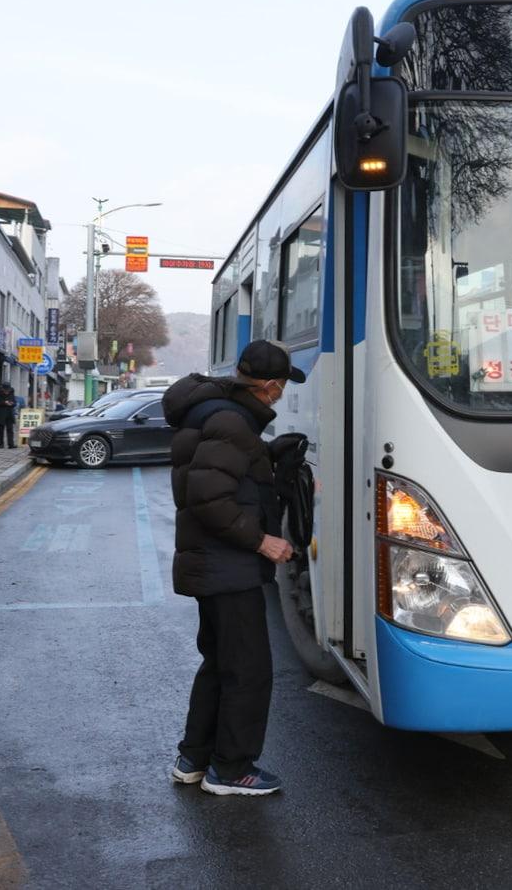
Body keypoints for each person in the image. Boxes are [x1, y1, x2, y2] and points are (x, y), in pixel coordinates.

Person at [162, 339, 305, 796]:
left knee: (220, 662)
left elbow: (227, 478)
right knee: (247, 669)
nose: (281, 394)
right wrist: (263, 541)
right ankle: (231, 769)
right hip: (227, 566)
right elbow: (208, 499)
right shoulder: (230, 421)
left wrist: (269, 459)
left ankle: (195, 758)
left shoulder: (219, 414)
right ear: (267, 386)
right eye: (280, 386)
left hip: (212, 565)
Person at [0, 382, 18, 449]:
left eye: (8, 390)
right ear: (2, 389)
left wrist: (12, 403)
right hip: (1, 413)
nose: (7, 392)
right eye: (5, 390)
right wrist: (4, 402)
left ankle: (11, 444)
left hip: (9, 413)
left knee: (10, 429)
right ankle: (1, 444)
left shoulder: (12, 391)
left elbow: (14, 402)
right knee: (1, 429)